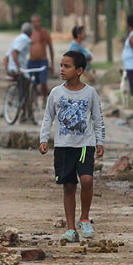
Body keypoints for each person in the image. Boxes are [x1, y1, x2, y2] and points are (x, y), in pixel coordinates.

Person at [39, 50, 106, 243]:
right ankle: (70, 229)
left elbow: (98, 119)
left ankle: (84, 218)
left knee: (86, 180)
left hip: (85, 145)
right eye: (61, 65)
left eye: (66, 66)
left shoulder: (90, 93)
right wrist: (44, 139)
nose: (62, 69)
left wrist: (100, 141)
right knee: (68, 186)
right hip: (63, 146)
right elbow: (48, 118)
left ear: (79, 70)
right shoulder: (56, 93)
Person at [28, 14, 55, 104]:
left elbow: (50, 48)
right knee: (32, 82)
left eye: (37, 21)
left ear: (40, 22)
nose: (35, 24)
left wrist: (52, 64)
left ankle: (44, 98)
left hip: (43, 61)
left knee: (43, 81)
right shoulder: (29, 33)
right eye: (33, 22)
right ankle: (34, 101)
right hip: (32, 61)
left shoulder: (45, 33)